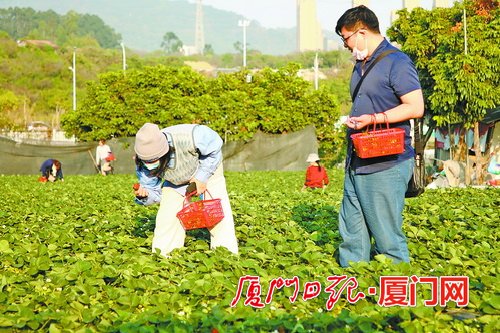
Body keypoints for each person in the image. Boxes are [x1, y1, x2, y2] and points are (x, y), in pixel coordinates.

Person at [335, 6, 424, 267]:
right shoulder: (360, 65)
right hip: (358, 159)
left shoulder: (396, 62)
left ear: (361, 32)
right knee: (352, 234)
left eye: (346, 39)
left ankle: (397, 294)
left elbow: (415, 107)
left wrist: (374, 119)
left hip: (387, 162)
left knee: (387, 237)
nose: (346, 46)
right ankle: (355, 289)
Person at [132, 123, 238, 257]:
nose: (150, 164)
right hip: (176, 180)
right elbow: (154, 192)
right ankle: (164, 258)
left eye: (154, 160)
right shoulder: (143, 164)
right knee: (167, 217)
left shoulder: (190, 136)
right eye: (146, 160)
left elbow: (214, 147)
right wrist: (144, 196)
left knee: (216, 210)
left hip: (207, 168)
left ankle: (226, 255)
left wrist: (201, 177)